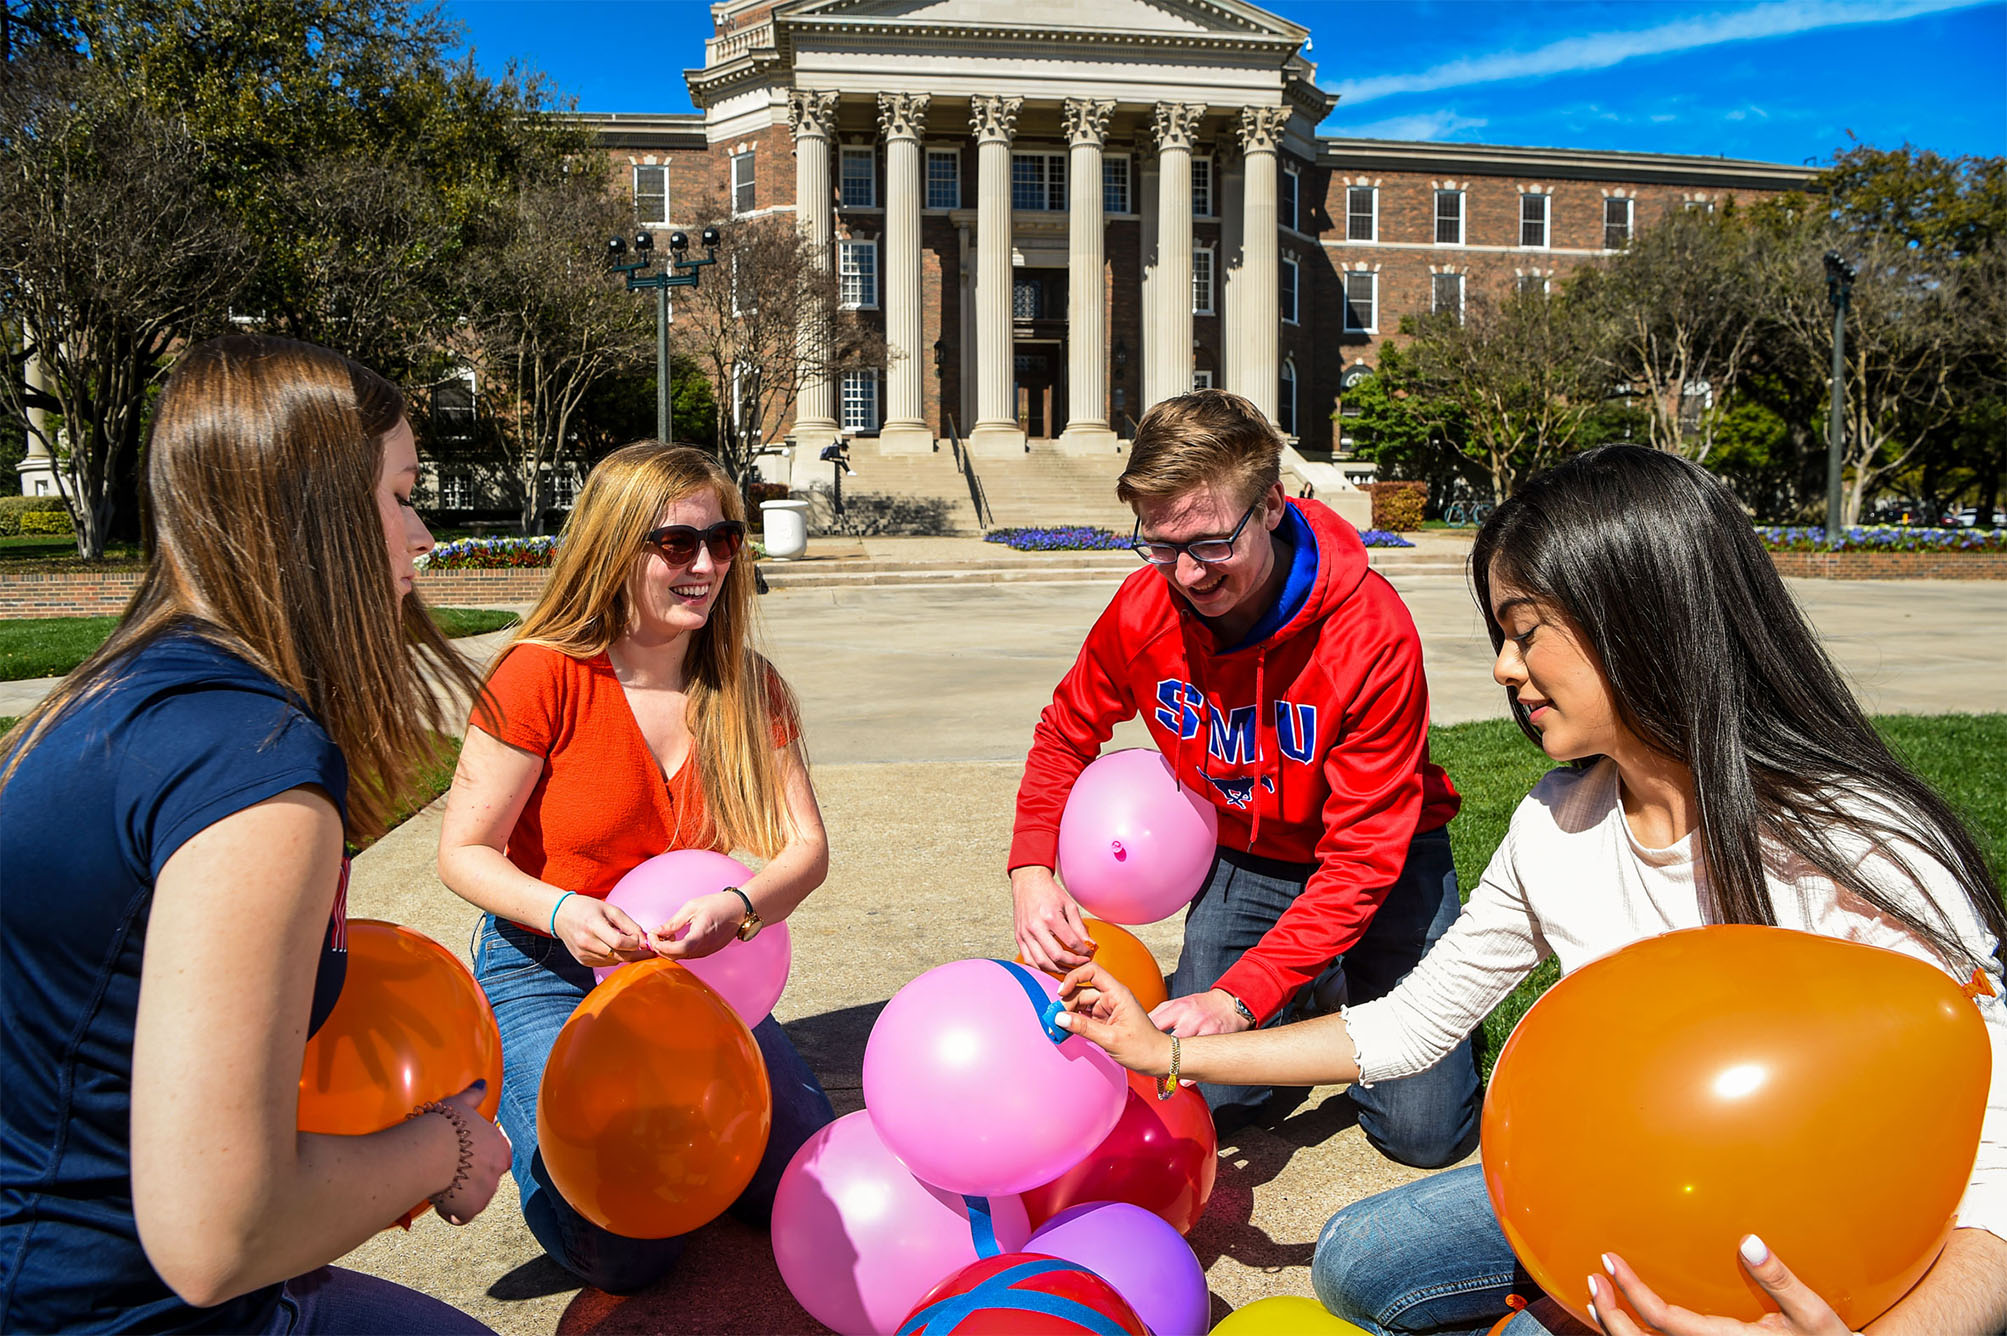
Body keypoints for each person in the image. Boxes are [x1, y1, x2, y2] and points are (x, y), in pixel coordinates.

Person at [1053, 445, 2007, 1336]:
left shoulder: (1854, 843)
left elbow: (1996, 1174)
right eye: (1499, 634)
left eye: (1525, 632)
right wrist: (1167, 1055)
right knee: (1357, 1259)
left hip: (1803, 1227)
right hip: (1623, 1179)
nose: (1505, 668)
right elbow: (1411, 1023)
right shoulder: (1558, 822)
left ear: (1642, 618)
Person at [0, 335, 508, 1334]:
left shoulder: (101, 702)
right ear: (316, 513)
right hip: (111, 1308)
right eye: (403, 495)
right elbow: (219, 1235)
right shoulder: (259, 774)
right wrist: (446, 1142)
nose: (424, 537)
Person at [1010, 389, 1478, 1163]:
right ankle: (1318, 985)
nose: (1187, 574)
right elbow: (1065, 731)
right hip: (1249, 852)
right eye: (1160, 545)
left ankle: (1346, 984)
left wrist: (1240, 996)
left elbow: (1362, 859)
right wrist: (1031, 866)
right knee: (1217, 1101)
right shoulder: (1141, 609)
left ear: (1269, 505)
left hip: (1387, 865)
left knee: (1423, 1136)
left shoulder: (1370, 632)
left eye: (1209, 543)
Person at [437, 441, 835, 1295]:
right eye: (676, 544)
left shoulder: (746, 686)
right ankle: (502, 1081)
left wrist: (740, 904)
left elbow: (806, 851)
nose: (705, 565)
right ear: (615, 547)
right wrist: (562, 912)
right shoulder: (541, 675)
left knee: (808, 1187)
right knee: (628, 1252)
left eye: (722, 541)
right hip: (546, 966)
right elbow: (463, 851)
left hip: (693, 976)